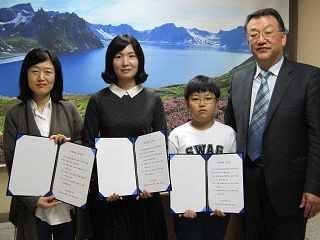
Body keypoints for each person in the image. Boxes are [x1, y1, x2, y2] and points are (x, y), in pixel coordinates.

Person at [224, 8, 320, 240]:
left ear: (283, 37)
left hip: (291, 188)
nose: (261, 40)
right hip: (247, 185)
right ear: (248, 40)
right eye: (254, 34)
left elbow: (318, 136)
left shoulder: (309, 78)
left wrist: (314, 187)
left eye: (268, 32)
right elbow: (231, 129)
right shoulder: (239, 79)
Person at [82, 34, 168, 240]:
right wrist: (102, 187)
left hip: (145, 197)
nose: (125, 62)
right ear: (110, 62)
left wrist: (153, 184)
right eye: (118, 56)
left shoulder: (153, 100)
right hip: (111, 199)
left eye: (131, 56)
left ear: (140, 60)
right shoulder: (98, 101)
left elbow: (160, 145)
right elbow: (88, 147)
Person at [3, 48, 84, 240]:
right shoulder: (15, 115)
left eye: (48, 71)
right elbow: (12, 162)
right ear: (26, 75)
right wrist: (33, 200)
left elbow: (84, 148)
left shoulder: (69, 110)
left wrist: (69, 146)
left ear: (56, 76)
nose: (41, 77)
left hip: (66, 204)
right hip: (33, 209)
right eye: (35, 71)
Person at [168, 75, 236, 240]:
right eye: (195, 99)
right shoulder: (177, 135)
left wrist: (226, 203)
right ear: (186, 103)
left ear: (217, 102)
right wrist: (182, 205)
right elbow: (174, 177)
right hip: (187, 211)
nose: (202, 103)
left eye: (208, 98)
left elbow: (232, 173)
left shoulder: (228, 134)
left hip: (218, 210)